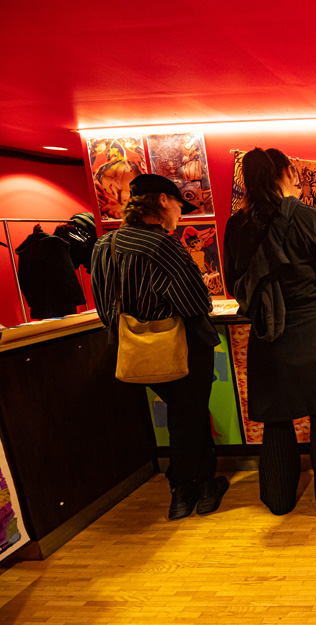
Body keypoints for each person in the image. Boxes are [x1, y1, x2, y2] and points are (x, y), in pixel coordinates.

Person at [223, 147, 316, 516]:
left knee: (277, 419)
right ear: (285, 173)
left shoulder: (237, 226)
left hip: (267, 334)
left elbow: (234, 284)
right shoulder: (312, 218)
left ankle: (279, 499)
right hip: (314, 330)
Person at [90, 173, 228, 520]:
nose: (180, 214)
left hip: (132, 349)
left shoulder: (105, 245)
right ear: (164, 201)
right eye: (180, 205)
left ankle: (200, 486)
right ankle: (185, 489)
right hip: (182, 345)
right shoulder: (164, 245)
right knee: (188, 414)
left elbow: (104, 307)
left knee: (187, 414)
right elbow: (197, 304)